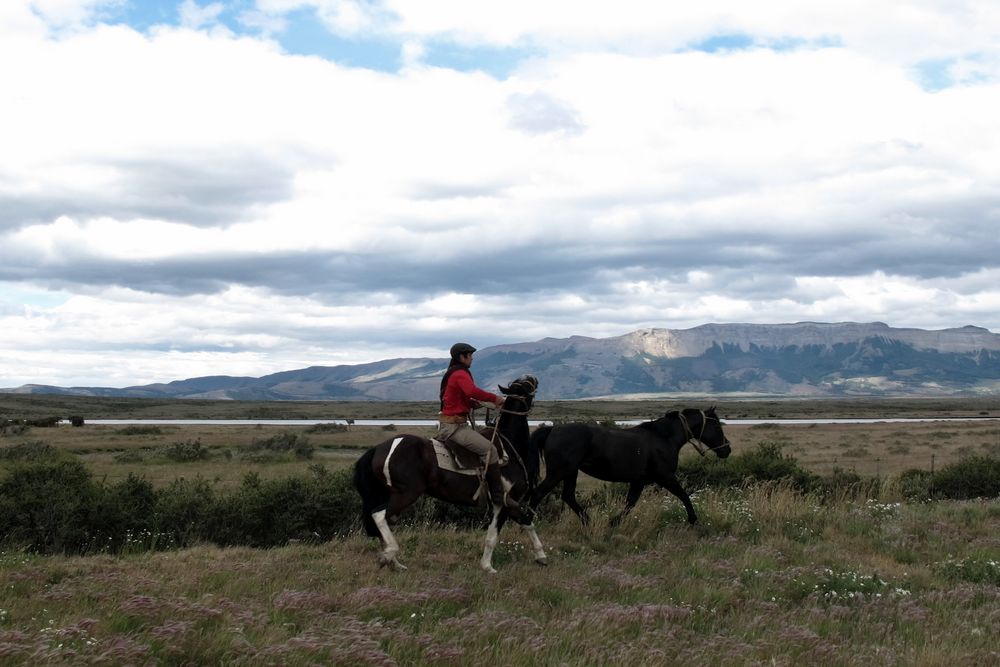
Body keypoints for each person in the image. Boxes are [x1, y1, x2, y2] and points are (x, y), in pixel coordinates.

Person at [437, 342, 521, 513]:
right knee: (489, 449)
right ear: (462, 357)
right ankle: (498, 495)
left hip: (454, 423)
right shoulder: (460, 373)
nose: (472, 358)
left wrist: (474, 404)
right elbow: (471, 390)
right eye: (470, 355)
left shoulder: (453, 373)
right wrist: (496, 399)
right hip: (455, 428)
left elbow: (462, 397)